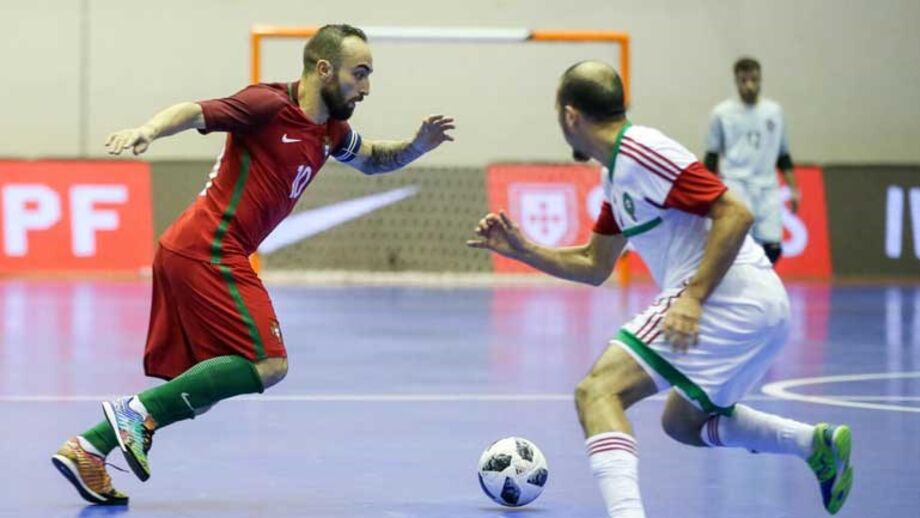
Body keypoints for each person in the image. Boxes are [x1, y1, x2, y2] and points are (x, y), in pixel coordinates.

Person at [51, 23, 455, 505]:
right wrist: (148, 130)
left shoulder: (330, 129)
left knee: (208, 384)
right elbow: (196, 111)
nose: (366, 87)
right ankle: (133, 415)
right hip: (209, 248)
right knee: (269, 363)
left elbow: (372, 160)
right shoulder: (267, 105)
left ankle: (88, 449)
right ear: (324, 69)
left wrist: (416, 146)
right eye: (359, 73)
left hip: (196, 250)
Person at [467, 61, 852, 517]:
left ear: (570, 116)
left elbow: (736, 213)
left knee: (598, 392)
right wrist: (525, 250)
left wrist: (693, 297)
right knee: (683, 423)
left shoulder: (643, 151)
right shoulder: (616, 175)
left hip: (730, 297)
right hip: (759, 309)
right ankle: (815, 445)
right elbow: (595, 264)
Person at [704, 57, 798, 264]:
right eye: (743, 80)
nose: (749, 85)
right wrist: (708, 194)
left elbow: (783, 155)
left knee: (773, 247)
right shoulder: (722, 113)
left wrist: (794, 189)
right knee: (738, 244)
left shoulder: (774, 111)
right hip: (736, 184)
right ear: (736, 81)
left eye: (753, 80)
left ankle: (759, 281)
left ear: (760, 79)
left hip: (767, 186)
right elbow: (711, 157)